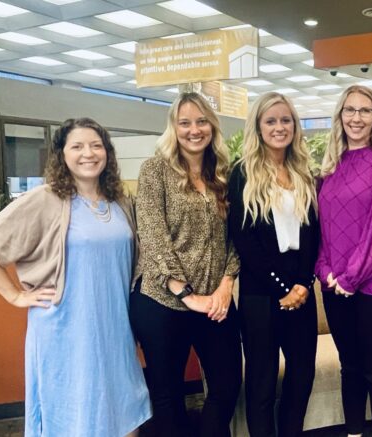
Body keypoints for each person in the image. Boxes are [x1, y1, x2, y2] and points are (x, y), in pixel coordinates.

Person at [0, 118, 151, 437]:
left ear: (107, 152)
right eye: (77, 146)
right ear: (62, 155)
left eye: (96, 145)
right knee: (73, 419)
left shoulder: (120, 202)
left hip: (115, 332)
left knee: (124, 416)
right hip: (66, 333)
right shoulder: (46, 199)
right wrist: (15, 295)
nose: (88, 153)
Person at [129, 92, 241, 437]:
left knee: (227, 386)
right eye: (185, 123)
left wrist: (226, 285)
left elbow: (237, 234)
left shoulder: (224, 172)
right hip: (162, 300)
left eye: (202, 121)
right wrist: (188, 295)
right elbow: (153, 237)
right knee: (168, 395)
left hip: (215, 301)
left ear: (212, 125)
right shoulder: (154, 170)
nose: (195, 130)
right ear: (173, 128)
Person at [315, 85, 372, 437]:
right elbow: (322, 230)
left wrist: (350, 277)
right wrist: (326, 273)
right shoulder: (329, 167)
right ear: (340, 116)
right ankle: (353, 433)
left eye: (365, 111)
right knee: (349, 367)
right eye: (350, 110)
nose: (357, 117)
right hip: (336, 283)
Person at [227, 92, 320, 437]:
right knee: (262, 385)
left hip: (300, 291)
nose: (279, 127)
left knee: (302, 377)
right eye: (271, 121)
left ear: (295, 127)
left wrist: (302, 286)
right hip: (260, 295)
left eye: (286, 120)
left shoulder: (302, 173)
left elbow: (313, 236)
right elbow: (244, 240)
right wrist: (283, 289)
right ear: (258, 127)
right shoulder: (242, 173)